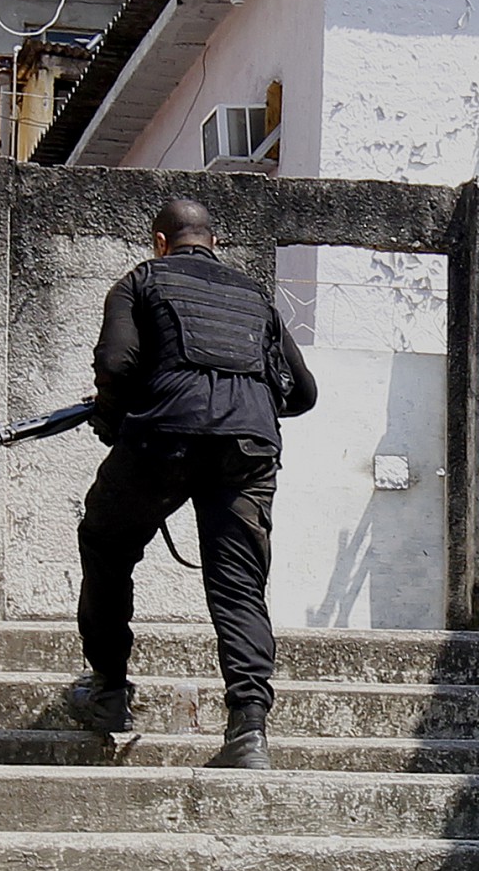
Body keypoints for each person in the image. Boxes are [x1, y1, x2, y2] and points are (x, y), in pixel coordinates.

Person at [68, 199, 317, 770]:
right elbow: (302, 393)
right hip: (249, 449)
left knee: (105, 544)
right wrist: (245, 399)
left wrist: (110, 416)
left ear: (160, 241)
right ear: (214, 243)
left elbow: (115, 364)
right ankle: (248, 729)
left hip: (162, 438)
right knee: (238, 585)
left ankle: (108, 690)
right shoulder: (255, 297)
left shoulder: (139, 281)